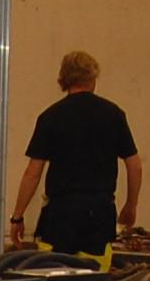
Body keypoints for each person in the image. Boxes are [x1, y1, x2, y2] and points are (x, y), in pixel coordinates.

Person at [9, 51, 141, 263]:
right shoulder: (114, 114)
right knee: (93, 276)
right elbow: (134, 165)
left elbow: (33, 173)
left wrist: (18, 216)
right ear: (93, 78)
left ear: (64, 79)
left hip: (61, 213)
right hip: (100, 211)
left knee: (55, 273)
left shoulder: (50, 117)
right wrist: (130, 205)